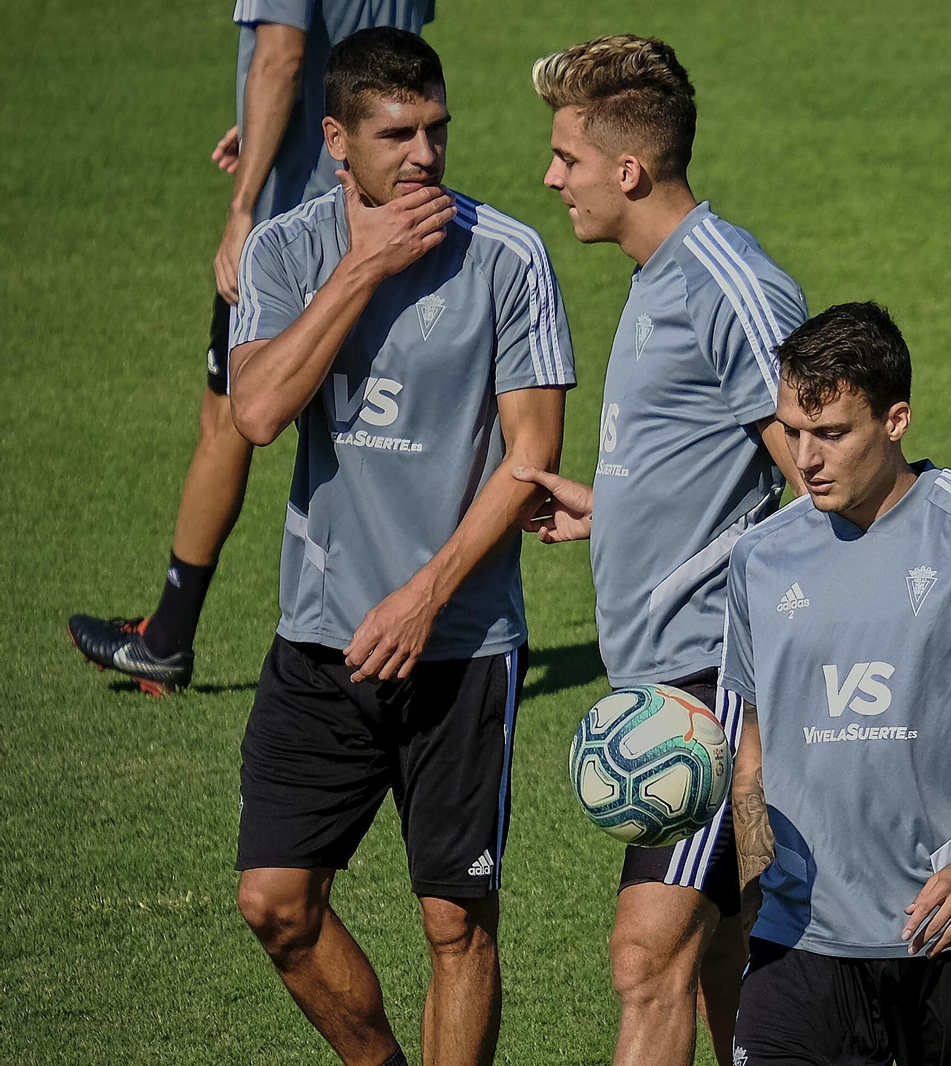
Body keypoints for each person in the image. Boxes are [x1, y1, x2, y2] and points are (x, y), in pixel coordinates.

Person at [227, 29, 573, 1066]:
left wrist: (424, 596)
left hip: (460, 642)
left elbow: (532, 456)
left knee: (454, 924)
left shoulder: (507, 257)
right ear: (338, 140)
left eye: (436, 130)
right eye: (396, 135)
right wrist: (364, 265)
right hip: (320, 635)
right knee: (276, 902)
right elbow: (254, 411)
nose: (424, 156)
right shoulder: (285, 251)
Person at [513, 35, 807, 1066]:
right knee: (725, 952)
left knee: (647, 961)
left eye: (566, 157)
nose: (552, 178)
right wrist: (620, 510)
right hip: (665, 664)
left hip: (711, 672)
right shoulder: (659, 274)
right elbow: (722, 463)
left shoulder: (729, 286)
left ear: (628, 169)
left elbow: (821, 481)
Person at [721, 302, 951, 1065]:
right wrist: (757, 892)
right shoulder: (759, 556)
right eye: (794, 431)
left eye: (833, 433)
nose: (807, 458)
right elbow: (753, 747)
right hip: (801, 945)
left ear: (896, 420)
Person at [67, 0, 433, 695]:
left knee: (232, 418)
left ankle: (168, 638)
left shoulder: (277, 242)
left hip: (299, 223)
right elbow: (393, 62)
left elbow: (280, 57)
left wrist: (244, 204)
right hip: (386, 206)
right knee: (391, 424)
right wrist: (286, 127)